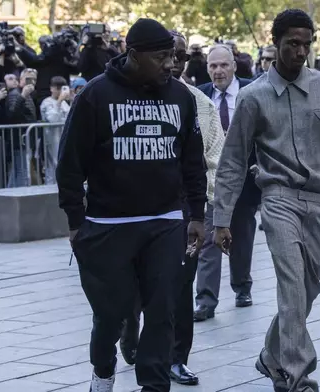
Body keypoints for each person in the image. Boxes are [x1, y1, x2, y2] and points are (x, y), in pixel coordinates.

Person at [212, 9, 320, 392]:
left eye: (306, 44)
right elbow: (231, 163)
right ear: (274, 43)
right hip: (277, 200)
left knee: (308, 290)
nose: (300, 51)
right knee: (292, 287)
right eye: (292, 43)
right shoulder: (252, 96)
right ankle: (296, 376)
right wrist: (221, 219)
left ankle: (270, 356)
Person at [56, 18, 207, 392]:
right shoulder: (95, 95)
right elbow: (70, 164)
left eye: (173, 56)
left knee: (161, 310)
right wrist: (76, 220)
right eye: (161, 57)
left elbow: (192, 161)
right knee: (111, 314)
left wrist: (198, 215)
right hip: (108, 224)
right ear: (134, 55)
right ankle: (103, 372)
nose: (170, 64)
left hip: (165, 220)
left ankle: (154, 385)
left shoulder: (181, 97)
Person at [119, 29, 225, 387]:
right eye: (169, 54)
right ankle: (130, 326)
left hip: (184, 213)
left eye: (181, 56)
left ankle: (177, 358)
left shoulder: (199, 104)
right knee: (133, 286)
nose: (174, 62)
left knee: (180, 288)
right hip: (133, 213)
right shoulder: (127, 97)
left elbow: (215, 159)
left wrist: (202, 208)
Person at [193, 44, 259, 321]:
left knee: (241, 236)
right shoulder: (199, 96)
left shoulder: (251, 92)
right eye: (212, 66)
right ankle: (205, 300)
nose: (218, 71)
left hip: (244, 180)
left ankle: (242, 286)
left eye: (223, 65)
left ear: (234, 66)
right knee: (208, 239)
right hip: (210, 180)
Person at [39, 76, 71, 185]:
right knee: (52, 167)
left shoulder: (65, 103)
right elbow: (52, 119)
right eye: (57, 88)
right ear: (52, 88)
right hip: (50, 139)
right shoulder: (46, 102)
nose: (59, 91)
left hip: (63, 138)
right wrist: (59, 101)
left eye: (62, 88)